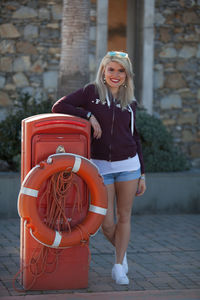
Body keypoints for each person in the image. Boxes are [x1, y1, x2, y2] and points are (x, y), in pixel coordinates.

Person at [52, 51, 146, 285]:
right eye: (111, 69)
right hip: (100, 166)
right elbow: (59, 106)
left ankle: (118, 266)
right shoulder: (90, 92)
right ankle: (122, 253)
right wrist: (89, 115)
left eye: (121, 70)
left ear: (127, 75)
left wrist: (142, 172)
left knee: (125, 217)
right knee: (106, 224)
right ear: (104, 71)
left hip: (129, 165)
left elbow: (135, 137)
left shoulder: (131, 102)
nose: (115, 74)